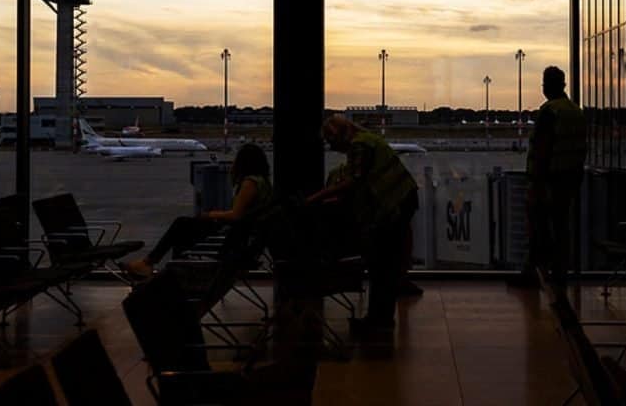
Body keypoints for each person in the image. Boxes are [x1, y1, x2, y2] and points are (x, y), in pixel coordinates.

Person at [307, 115, 419, 332]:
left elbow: (353, 182)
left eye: (331, 141)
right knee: (385, 265)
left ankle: (378, 321)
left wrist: (316, 198)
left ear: (339, 135)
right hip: (402, 199)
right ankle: (379, 319)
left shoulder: (359, 145)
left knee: (382, 265)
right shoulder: (369, 140)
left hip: (394, 204)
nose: (331, 147)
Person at [123, 143, 273, 279]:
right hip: (241, 235)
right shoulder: (263, 183)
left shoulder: (249, 183)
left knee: (181, 224)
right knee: (181, 232)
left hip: (233, 235)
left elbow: (235, 215)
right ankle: (168, 272)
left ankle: (152, 264)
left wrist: (211, 214)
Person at [525, 66, 586, 285]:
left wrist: (536, 185)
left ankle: (535, 273)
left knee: (538, 228)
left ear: (548, 86)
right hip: (569, 180)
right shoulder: (576, 111)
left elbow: (542, 150)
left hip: (548, 181)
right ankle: (560, 274)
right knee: (561, 229)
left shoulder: (550, 111)